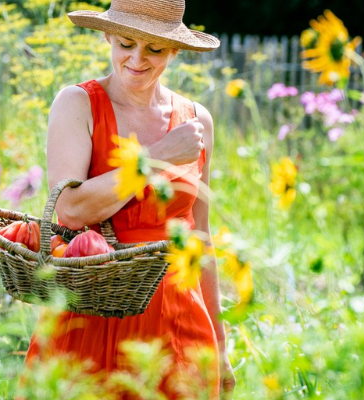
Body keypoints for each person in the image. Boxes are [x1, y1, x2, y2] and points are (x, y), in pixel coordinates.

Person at [24, 0, 235, 398]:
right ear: (107, 36)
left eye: (154, 49)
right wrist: (158, 158)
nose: (137, 59)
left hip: (178, 319)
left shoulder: (195, 120)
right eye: (125, 43)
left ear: (174, 51)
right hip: (95, 308)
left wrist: (220, 348)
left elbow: (201, 240)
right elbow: (69, 210)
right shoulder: (78, 104)